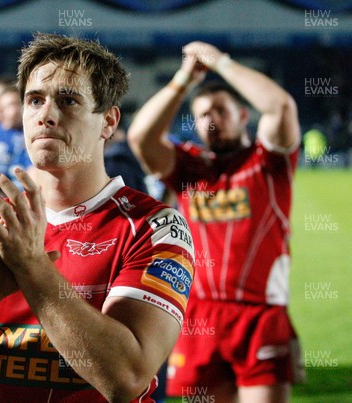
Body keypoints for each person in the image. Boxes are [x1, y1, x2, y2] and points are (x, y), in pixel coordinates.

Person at [0, 33, 195, 402]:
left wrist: (33, 269)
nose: (46, 115)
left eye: (68, 101)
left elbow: (126, 377)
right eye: (34, 100)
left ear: (108, 121)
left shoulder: (155, 227)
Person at [128, 41, 303, 402]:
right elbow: (141, 138)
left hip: (259, 315)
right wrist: (184, 78)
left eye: (221, 110)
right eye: (203, 114)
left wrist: (220, 62)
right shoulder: (190, 168)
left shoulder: (267, 163)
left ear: (243, 115)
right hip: (198, 317)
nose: (211, 120)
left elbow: (281, 106)